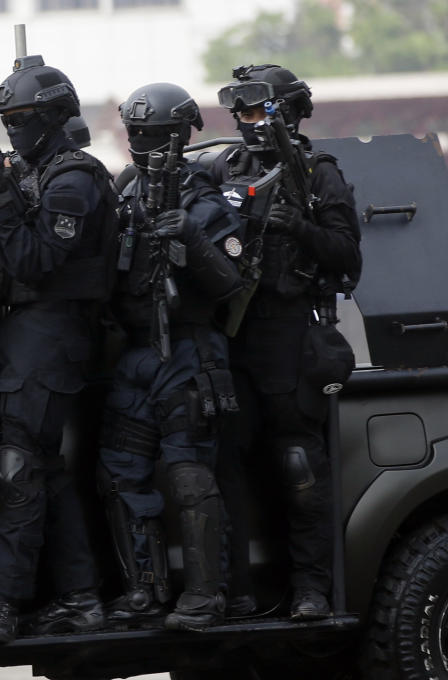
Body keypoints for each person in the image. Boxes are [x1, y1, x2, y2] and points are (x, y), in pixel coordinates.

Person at [0, 55, 118, 644]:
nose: (13, 129)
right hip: (24, 339)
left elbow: (37, 262)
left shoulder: (74, 178)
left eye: (23, 118)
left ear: (55, 116)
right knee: (44, 473)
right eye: (7, 120)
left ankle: (4, 604)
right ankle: (81, 598)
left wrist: (2, 200)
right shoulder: (33, 173)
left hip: (55, 339)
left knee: (21, 468)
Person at [210, 64, 361, 620]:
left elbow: (348, 258)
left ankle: (311, 590)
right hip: (236, 335)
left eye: (256, 110)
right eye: (241, 112)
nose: (246, 122)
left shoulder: (318, 173)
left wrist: (299, 227)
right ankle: (238, 588)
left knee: (298, 465)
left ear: (286, 111)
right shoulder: (231, 168)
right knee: (229, 464)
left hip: (291, 333)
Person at [99, 83, 245, 632]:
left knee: (190, 479)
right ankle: (144, 589)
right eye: (135, 133)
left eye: (151, 134)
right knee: (119, 475)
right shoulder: (127, 192)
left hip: (187, 349)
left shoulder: (204, 203)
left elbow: (230, 284)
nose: (141, 143)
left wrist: (191, 238)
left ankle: (205, 595)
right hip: (136, 353)